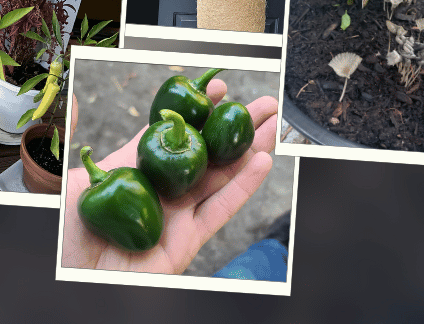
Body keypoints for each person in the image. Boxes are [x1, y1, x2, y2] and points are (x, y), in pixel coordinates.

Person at [61, 78, 281, 276]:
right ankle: (277, 247)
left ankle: (276, 247)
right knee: (263, 265)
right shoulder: (101, 196)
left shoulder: (136, 170)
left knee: (262, 263)